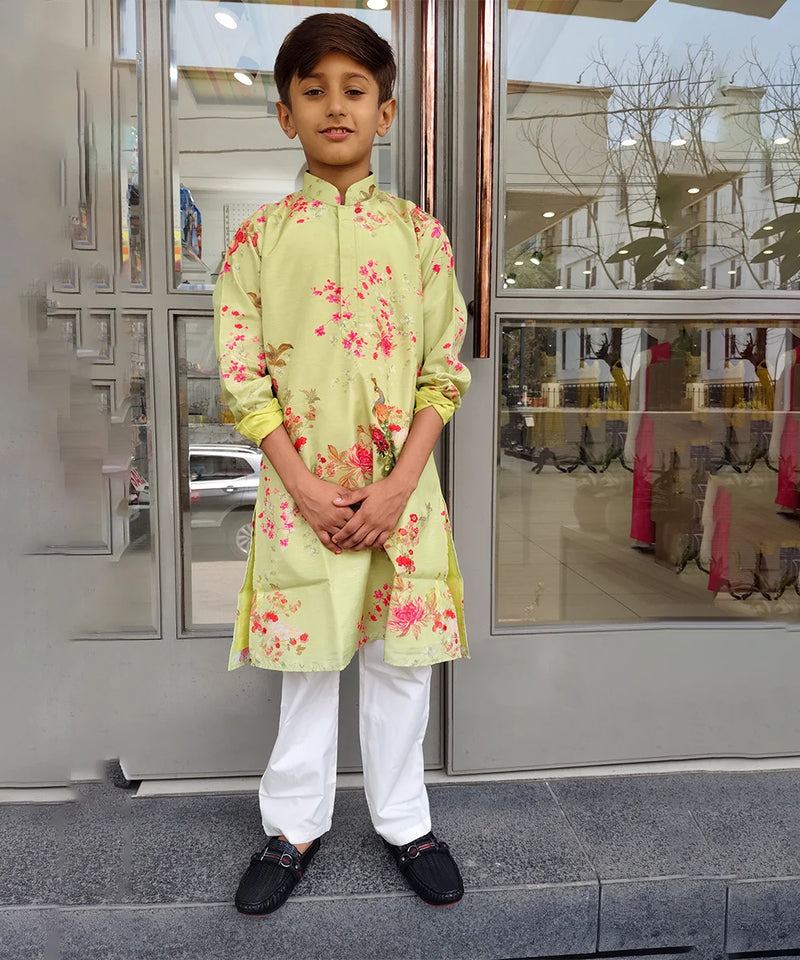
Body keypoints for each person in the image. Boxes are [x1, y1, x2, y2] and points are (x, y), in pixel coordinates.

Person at [213, 12, 471, 916]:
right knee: (309, 661)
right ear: (286, 113)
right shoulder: (256, 242)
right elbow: (243, 378)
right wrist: (304, 483)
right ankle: (292, 828)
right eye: (313, 90)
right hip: (301, 491)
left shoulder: (421, 237)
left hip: (404, 489)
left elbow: (445, 370)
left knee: (401, 666)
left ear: (386, 112)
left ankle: (404, 820)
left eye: (354, 90)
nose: (335, 106)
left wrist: (400, 484)